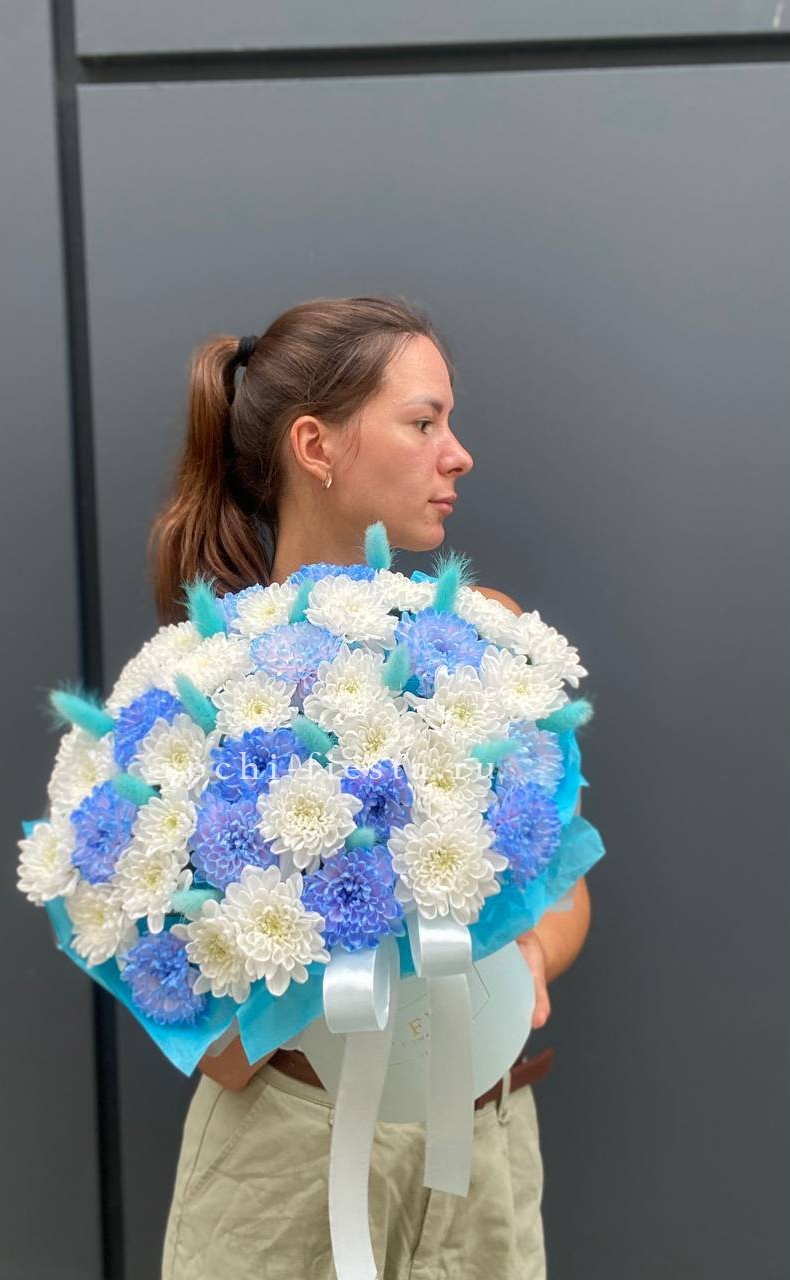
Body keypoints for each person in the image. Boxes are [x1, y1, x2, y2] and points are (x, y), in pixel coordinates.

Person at [148, 295, 593, 1279]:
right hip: (287, 1156)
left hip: (483, 1144)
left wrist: (526, 951)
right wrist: (246, 1000)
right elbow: (176, 971)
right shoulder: (211, 680)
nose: (457, 454)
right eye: (423, 421)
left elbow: (563, 881)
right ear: (316, 445)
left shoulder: (484, 636)